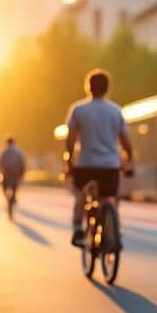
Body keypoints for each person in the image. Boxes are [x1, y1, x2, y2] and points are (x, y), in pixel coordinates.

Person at [64, 69, 133, 247]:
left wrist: (69, 162)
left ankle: (78, 230)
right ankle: (112, 229)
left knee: (80, 194)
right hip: (110, 166)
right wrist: (129, 160)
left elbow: (70, 141)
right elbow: (125, 141)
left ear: (88, 87)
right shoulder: (116, 111)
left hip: (85, 164)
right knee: (110, 196)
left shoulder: (78, 110)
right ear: (108, 88)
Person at [0, 136, 27, 218]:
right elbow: (23, 164)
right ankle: (12, 199)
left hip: (6, 175)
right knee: (14, 190)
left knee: (4, 190)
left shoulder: (4, 151)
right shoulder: (19, 152)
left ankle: (10, 200)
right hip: (15, 175)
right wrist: (22, 174)